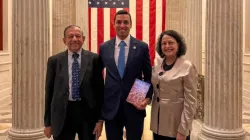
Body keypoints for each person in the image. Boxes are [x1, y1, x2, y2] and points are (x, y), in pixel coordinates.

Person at [99, 10, 153, 140]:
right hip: (111, 107)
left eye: (125, 22)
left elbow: (148, 75)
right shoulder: (104, 47)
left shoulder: (141, 47)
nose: (122, 25)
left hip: (134, 105)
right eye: (118, 22)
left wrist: (147, 97)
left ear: (131, 24)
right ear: (113, 24)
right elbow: (97, 76)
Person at [43, 25, 104, 140]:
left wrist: (99, 120)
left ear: (83, 39)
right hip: (62, 114)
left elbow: (99, 91)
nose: (74, 39)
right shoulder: (54, 61)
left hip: (88, 115)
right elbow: (49, 92)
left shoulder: (94, 59)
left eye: (78, 36)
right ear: (64, 40)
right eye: (70, 36)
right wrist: (48, 123)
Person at [150, 30, 198, 140]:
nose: (167, 46)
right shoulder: (157, 63)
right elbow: (150, 84)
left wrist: (184, 129)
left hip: (176, 125)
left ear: (178, 45)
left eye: (171, 42)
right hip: (158, 123)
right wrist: (139, 98)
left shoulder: (187, 66)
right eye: (164, 43)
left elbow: (191, 102)